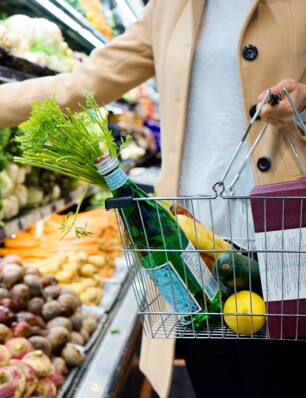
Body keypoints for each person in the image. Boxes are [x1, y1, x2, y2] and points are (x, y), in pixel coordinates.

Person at [0, 1, 305, 397]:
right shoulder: (170, 8)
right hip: (189, 247)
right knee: (218, 384)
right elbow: (82, 84)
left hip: (287, 242)